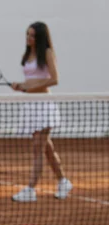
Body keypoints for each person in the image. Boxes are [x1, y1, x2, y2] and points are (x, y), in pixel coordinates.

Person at [10, 21, 72, 202]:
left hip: (45, 105)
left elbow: (54, 79)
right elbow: (30, 81)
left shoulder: (47, 53)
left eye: (32, 35)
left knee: (38, 148)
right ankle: (63, 181)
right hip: (31, 105)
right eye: (27, 35)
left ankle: (30, 189)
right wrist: (20, 86)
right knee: (46, 148)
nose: (29, 38)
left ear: (40, 37)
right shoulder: (28, 54)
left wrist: (30, 86)